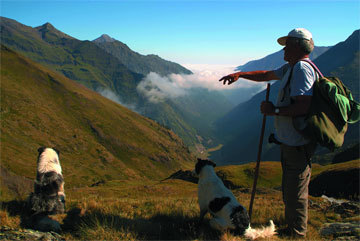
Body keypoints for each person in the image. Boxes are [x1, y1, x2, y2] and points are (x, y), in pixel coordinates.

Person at [219, 28, 318, 238]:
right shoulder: (292, 67)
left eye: (287, 44)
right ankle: (293, 228)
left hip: (298, 142)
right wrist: (240, 74)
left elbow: (304, 106)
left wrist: (275, 111)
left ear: (298, 46)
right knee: (290, 189)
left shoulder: (301, 69)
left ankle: (297, 234)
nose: (283, 48)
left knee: (296, 191)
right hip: (291, 140)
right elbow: (267, 75)